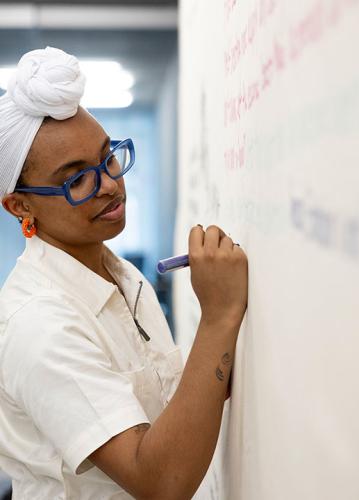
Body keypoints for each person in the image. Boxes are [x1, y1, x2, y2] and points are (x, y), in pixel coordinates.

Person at [0, 47, 248, 499]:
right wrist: (218, 317)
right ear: (21, 206)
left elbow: (165, 407)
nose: (110, 184)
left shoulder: (122, 275)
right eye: (77, 179)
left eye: (108, 157)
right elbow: (159, 483)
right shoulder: (39, 323)